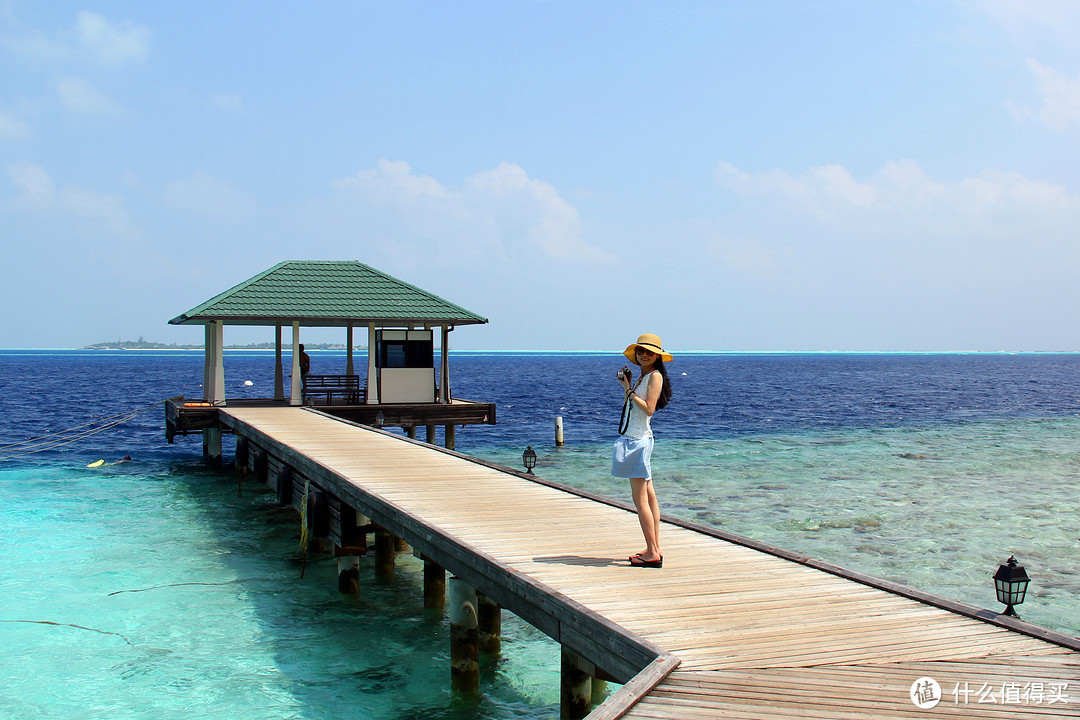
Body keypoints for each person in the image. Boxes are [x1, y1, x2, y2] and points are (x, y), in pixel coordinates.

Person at [612, 333, 673, 568]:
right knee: (649, 496)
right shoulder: (643, 377)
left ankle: (652, 553)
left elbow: (649, 409)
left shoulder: (654, 377)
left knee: (640, 501)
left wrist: (627, 389)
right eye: (640, 351)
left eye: (649, 351)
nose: (644, 355)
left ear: (657, 355)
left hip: (637, 442)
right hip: (637, 440)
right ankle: (653, 548)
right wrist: (628, 386)